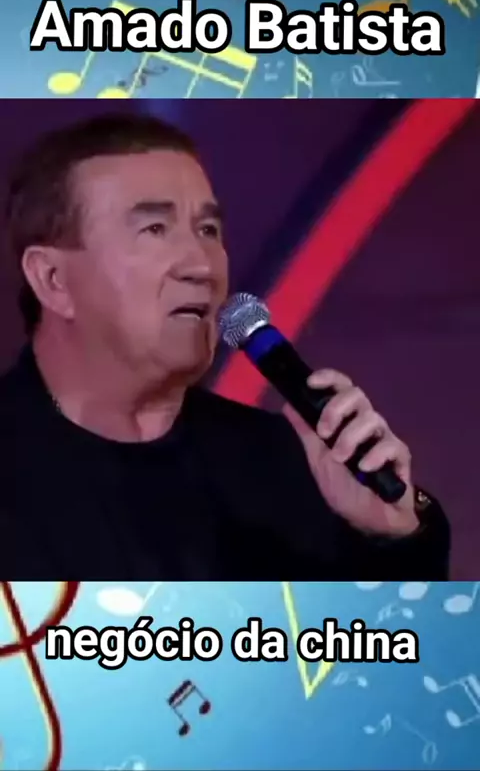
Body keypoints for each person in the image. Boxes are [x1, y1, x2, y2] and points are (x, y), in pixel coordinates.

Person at [0, 112, 450, 580]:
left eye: (208, 231)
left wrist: (392, 539)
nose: (202, 266)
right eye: (154, 229)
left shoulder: (293, 463)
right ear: (52, 279)